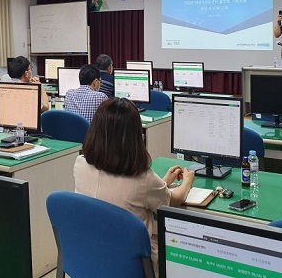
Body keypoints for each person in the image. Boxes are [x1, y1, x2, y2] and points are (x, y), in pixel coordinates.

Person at [74, 98, 194, 270]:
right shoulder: (142, 178)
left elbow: (134, 193)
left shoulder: (80, 164)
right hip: (131, 262)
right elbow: (173, 201)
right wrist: (188, 181)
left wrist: (164, 182)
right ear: (134, 136)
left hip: (91, 252)